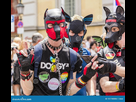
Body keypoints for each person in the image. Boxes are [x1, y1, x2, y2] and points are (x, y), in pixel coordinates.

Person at [14, 8, 97, 96]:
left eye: (60, 24)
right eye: (51, 25)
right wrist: (24, 71)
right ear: (46, 26)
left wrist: (84, 78)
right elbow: (27, 92)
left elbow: (69, 92)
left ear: (65, 26)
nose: (57, 29)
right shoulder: (35, 53)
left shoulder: (72, 56)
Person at [87, 6, 125, 96]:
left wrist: (113, 68)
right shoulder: (104, 52)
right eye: (108, 29)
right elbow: (104, 85)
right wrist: (121, 85)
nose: (110, 32)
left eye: (114, 29)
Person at [66, 14, 96, 95]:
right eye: (72, 32)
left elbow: (89, 79)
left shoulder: (86, 53)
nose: (76, 35)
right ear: (68, 31)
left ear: (84, 33)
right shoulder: (61, 51)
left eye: (79, 32)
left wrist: (92, 95)